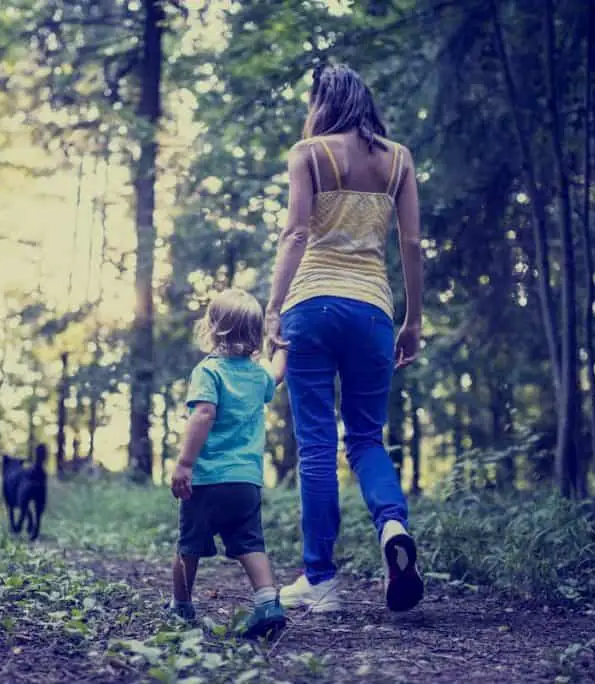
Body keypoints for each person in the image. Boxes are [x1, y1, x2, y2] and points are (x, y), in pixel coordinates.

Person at [264, 63, 425, 614]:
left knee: (315, 445)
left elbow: (296, 232)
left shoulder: (309, 153)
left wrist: (271, 310)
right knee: (365, 439)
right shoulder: (399, 159)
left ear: (322, 101)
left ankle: (321, 580)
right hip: (374, 312)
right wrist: (414, 320)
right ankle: (393, 527)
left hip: (311, 306)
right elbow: (411, 242)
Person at [168, 288, 289, 639]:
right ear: (254, 335)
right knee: (250, 544)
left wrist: (185, 463)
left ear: (212, 328)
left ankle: (181, 606)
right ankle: (268, 602)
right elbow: (277, 374)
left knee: (189, 545)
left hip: (207, 480)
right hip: (246, 482)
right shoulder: (257, 375)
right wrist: (281, 345)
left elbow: (203, 413)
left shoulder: (208, 371)